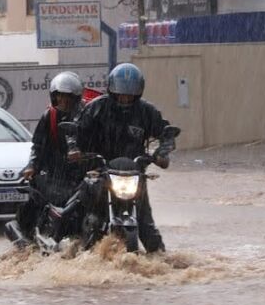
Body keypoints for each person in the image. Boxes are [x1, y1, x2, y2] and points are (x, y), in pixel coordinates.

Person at [71, 63, 173, 253]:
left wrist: (162, 152)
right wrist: (75, 149)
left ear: (138, 93)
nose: (125, 98)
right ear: (112, 90)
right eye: (120, 93)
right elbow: (76, 132)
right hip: (100, 170)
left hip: (133, 174)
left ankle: (161, 260)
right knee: (87, 211)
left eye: (130, 94)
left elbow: (166, 134)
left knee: (146, 223)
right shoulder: (97, 108)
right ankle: (79, 250)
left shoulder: (146, 112)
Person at [11, 71, 84, 244]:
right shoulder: (48, 117)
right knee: (38, 196)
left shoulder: (86, 116)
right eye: (60, 96)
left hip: (79, 173)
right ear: (54, 97)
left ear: (76, 98)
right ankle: (29, 233)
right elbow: (37, 147)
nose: (64, 101)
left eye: (68, 97)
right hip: (53, 171)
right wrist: (32, 166)